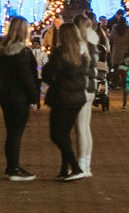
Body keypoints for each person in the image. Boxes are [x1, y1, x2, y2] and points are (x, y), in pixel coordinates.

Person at [0, 17, 40, 181]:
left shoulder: (1, 51)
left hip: (5, 95)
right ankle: (13, 168)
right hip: (19, 97)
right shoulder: (22, 52)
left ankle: (12, 165)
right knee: (16, 133)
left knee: (11, 132)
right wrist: (34, 99)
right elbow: (27, 77)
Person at [40, 23, 90, 181]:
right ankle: (64, 168)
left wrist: (52, 79)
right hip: (77, 98)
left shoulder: (60, 53)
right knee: (65, 133)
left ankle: (75, 168)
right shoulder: (81, 53)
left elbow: (47, 73)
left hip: (62, 97)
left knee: (56, 135)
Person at [72, 14, 101, 173]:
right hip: (91, 87)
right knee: (86, 128)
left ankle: (82, 165)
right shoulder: (93, 43)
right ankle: (86, 164)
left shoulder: (82, 45)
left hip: (83, 88)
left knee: (80, 129)